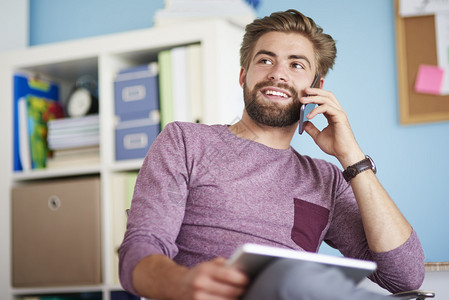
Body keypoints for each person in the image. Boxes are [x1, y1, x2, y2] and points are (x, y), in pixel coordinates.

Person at [119, 9, 425, 300]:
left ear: (316, 87)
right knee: (297, 277)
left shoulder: (327, 180)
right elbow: (139, 251)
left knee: (300, 278)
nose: (278, 74)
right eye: (266, 60)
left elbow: (405, 277)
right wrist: (182, 283)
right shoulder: (186, 141)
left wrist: (352, 158)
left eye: (296, 65)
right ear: (244, 75)